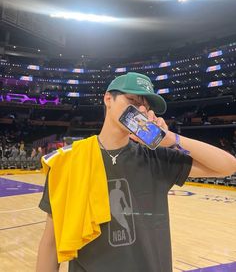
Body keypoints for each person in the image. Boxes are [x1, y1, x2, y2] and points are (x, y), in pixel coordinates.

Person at [36, 72, 236, 272]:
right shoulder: (68, 161)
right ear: (108, 99)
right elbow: (50, 243)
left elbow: (227, 166)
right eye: (131, 100)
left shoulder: (156, 157)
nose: (139, 110)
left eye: (145, 107)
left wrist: (172, 139)